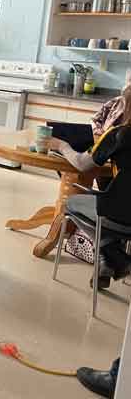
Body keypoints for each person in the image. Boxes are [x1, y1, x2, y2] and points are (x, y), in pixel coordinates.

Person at [47, 115, 131, 288]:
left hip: (117, 214)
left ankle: (112, 254)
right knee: (108, 201)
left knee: (71, 203)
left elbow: (82, 164)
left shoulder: (119, 134)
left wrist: (61, 146)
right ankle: (107, 258)